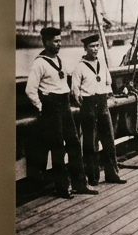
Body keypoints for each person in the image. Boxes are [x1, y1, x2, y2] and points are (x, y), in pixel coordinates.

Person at [23, 27, 91, 199]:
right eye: (55, 41)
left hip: (65, 105)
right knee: (58, 148)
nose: (59, 44)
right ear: (46, 42)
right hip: (51, 107)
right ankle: (62, 188)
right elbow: (30, 89)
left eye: (60, 40)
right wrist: (41, 107)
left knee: (74, 144)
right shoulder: (39, 63)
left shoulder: (60, 60)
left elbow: (63, 79)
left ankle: (80, 184)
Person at [67, 34, 123, 186]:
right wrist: (83, 102)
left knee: (109, 141)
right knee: (90, 144)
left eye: (97, 46)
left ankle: (112, 174)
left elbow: (108, 82)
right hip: (89, 105)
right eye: (91, 46)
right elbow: (75, 90)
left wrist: (108, 96)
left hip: (102, 105)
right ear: (85, 48)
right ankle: (93, 177)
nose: (95, 49)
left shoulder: (102, 64)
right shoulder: (79, 67)